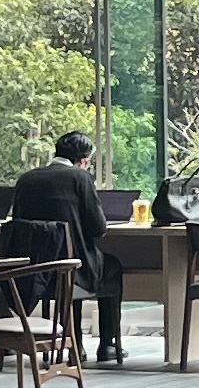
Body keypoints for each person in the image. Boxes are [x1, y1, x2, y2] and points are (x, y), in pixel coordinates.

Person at [9, 130, 127, 362]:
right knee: (111, 266)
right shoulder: (79, 178)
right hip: (71, 269)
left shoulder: (26, 179)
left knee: (73, 261)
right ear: (84, 160)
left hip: (33, 272)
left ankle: (76, 344)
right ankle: (108, 344)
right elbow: (98, 228)